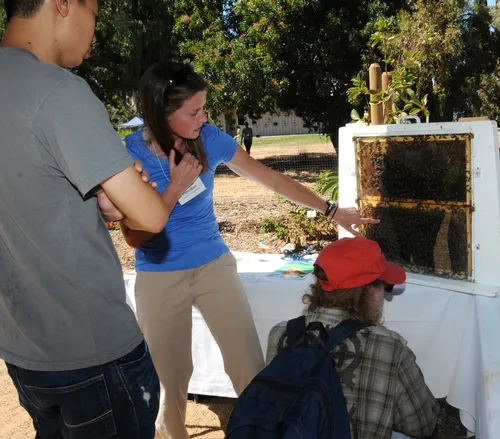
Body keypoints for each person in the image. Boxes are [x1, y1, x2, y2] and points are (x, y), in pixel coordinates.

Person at [121, 60, 379, 439]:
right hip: (159, 274)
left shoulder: (208, 139)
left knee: (246, 363)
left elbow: (270, 178)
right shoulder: (128, 155)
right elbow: (133, 235)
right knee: (170, 377)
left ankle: (266, 430)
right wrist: (174, 187)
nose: (203, 117)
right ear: (161, 112)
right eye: (193, 111)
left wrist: (331, 210)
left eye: (204, 108)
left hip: (213, 265)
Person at [0, 1, 199, 438]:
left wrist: (104, 203)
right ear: (63, 4)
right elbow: (148, 215)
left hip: (23, 349)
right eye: (94, 9)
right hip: (92, 353)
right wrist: (140, 195)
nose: (96, 27)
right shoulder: (57, 91)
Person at [267, 237, 440, 439]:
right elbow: (422, 425)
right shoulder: (390, 346)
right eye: (384, 286)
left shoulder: (281, 333)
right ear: (369, 291)